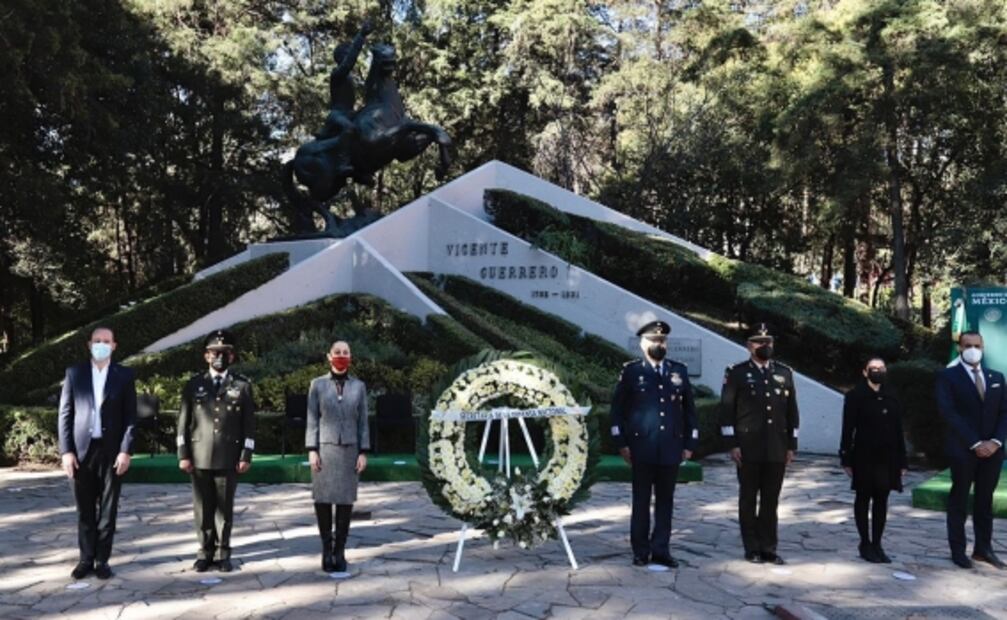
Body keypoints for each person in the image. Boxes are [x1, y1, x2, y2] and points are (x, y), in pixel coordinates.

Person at [610, 320, 698, 568]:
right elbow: (617, 411)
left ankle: (661, 549)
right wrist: (621, 442)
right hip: (641, 448)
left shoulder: (678, 371)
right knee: (641, 501)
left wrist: (690, 442)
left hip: (671, 447)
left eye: (662, 340)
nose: (658, 344)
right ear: (642, 343)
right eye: (653, 340)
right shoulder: (631, 372)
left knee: (665, 502)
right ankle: (640, 550)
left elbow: (690, 411)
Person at [58, 326, 137, 580]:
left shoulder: (124, 375)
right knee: (84, 510)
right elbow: (65, 415)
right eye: (96, 341)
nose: (101, 344)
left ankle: (102, 560)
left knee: (107, 509)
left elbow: (130, 418)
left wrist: (126, 451)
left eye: (106, 341)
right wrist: (66, 451)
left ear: (114, 345)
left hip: (111, 451)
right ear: (89, 344)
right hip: (82, 452)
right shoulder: (74, 374)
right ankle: (85, 559)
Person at [719, 322, 800, 565]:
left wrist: (791, 444)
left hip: (776, 447)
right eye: (759, 342)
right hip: (748, 447)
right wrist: (732, 443)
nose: (764, 346)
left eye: (768, 342)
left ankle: (769, 547)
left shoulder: (784, 373)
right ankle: (751, 547)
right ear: (749, 346)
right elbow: (726, 411)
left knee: (770, 500)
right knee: (748, 498)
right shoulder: (736, 372)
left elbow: (792, 412)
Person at [176, 329, 256, 573]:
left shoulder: (242, 386)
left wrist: (246, 455)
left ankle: (223, 553)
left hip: (228, 456)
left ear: (232, 357)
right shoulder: (194, 384)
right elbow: (183, 422)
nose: (219, 357)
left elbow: (249, 425)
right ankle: (204, 552)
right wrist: (183, 454)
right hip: (199, 455)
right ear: (206, 356)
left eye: (225, 353)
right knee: (202, 508)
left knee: (224, 508)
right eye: (214, 353)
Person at [935, 330, 1007, 569]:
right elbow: (949, 413)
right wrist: (975, 443)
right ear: (960, 348)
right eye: (967, 345)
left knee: (985, 501)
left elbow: (1004, 413)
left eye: (977, 345)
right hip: (963, 449)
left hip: (993, 452)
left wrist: (995, 442)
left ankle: (983, 549)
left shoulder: (996, 377)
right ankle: (958, 550)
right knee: (959, 499)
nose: (973, 349)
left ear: (983, 347)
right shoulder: (948, 377)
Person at [306, 340, 370, 574]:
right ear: (329, 356)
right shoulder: (317, 385)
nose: (341, 356)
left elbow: (363, 421)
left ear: (350, 356)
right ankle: (326, 549)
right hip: (325, 450)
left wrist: (363, 451)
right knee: (322, 499)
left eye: (346, 352)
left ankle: (340, 550)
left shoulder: (359, 386)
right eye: (337, 352)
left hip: (350, 450)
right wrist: (312, 449)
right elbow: (312, 419)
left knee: (345, 500)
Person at [839, 357, 907, 563]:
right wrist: (846, 457)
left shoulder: (892, 395)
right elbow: (848, 428)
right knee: (863, 498)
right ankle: (865, 543)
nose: (877, 371)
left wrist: (903, 460)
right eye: (873, 368)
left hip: (888, 457)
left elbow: (898, 430)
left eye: (881, 368)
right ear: (865, 372)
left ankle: (877, 543)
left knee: (882, 500)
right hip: (864, 456)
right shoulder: (855, 396)